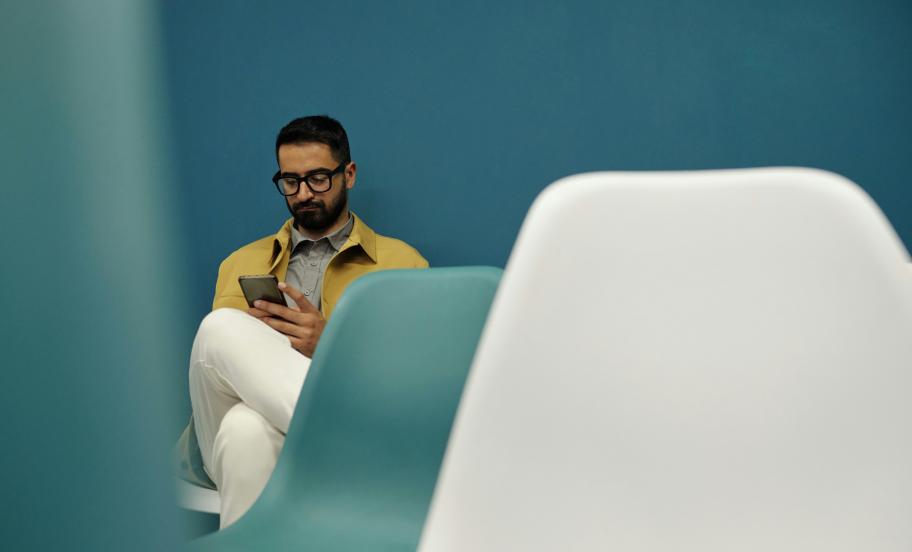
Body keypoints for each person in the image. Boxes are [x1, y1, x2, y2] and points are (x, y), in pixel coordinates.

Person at [175, 115, 428, 528]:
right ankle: (360, 449)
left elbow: (413, 380)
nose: (304, 193)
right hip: (249, 442)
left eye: (317, 179)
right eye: (290, 182)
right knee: (219, 329)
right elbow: (221, 382)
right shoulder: (240, 263)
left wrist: (330, 346)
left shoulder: (403, 264)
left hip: (272, 441)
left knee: (244, 432)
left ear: (349, 174)